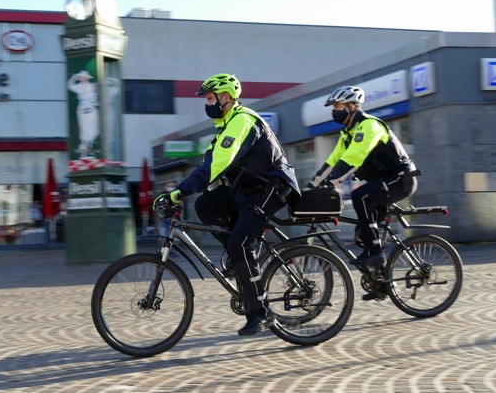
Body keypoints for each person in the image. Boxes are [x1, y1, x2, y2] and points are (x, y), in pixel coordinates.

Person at [155, 73, 299, 336]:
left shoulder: (242, 120)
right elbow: (206, 165)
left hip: (271, 188)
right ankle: (238, 257)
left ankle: (260, 312)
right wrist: (180, 191)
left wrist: (180, 191)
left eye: (210, 98)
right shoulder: (224, 127)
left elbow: (217, 164)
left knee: (239, 243)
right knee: (206, 205)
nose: (207, 104)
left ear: (226, 97)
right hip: (247, 190)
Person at [304, 85, 419, 300]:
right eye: (333, 107)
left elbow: (353, 158)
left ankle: (375, 252)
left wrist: (332, 183)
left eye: (338, 106)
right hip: (382, 184)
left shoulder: (369, 126)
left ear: (352, 106)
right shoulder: (347, 134)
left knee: (360, 195)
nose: (334, 110)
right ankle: (382, 285)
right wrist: (310, 188)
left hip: (400, 180)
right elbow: (332, 163)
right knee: (361, 234)